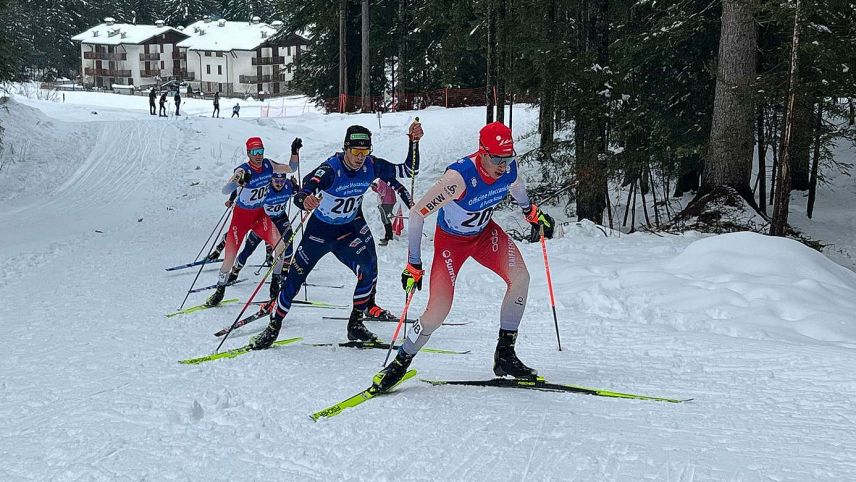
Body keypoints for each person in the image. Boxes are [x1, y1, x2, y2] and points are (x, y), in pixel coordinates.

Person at [372, 121, 555, 392]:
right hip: (452, 243)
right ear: (481, 153)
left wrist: (531, 212)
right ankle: (399, 363)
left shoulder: (507, 168)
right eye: (496, 159)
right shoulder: (457, 178)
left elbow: (515, 186)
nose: (503, 166)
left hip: (484, 235)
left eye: (508, 159)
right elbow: (417, 213)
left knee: (521, 279)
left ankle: (505, 356)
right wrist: (413, 263)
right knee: (437, 312)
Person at [249, 123, 424, 349]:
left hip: (348, 229)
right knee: (294, 279)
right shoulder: (331, 169)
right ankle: (273, 327)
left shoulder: (371, 165)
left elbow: (409, 171)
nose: (360, 157)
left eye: (365, 151)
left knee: (368, 269)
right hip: (320, 232)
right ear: (345, 148)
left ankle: (356, 324)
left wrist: (414, 142)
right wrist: (305, 200)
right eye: (355, 152)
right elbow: (303, 190)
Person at [205, 136, 303, 306]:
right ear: (248, 153)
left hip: (259, 215)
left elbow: (292, 169)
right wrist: (239, 181)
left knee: (280, 248)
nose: (258, 155)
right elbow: (225, 190)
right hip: (241, 218)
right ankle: (220, 290)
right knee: (229, 258)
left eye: (260, 151)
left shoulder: (268, 165)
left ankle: (274, 283)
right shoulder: (243, 170)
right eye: (254, 152)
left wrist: (294, 152)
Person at [232, 173, 300, 298]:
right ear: (271, 180)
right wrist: (233, 199)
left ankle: (282, 274)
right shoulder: (264, 189)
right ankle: (235, 270)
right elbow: (243, 191)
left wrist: (296, 187)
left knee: (288, 240)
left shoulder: (288, 186)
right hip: (264, 221)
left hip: (280, 218)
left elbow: (299, 194)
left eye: (282, 180)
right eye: (276, 181)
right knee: (249, 248)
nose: (279, 184)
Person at [371, 179, 397, 246]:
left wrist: (375, 187)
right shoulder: (386, 178)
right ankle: (388, 236)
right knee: (386, 219)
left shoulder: (383, 179)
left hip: (386, 202)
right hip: (389, 201)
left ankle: (388, 237)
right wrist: (375, 188)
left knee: (385, 220)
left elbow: (382, 191)